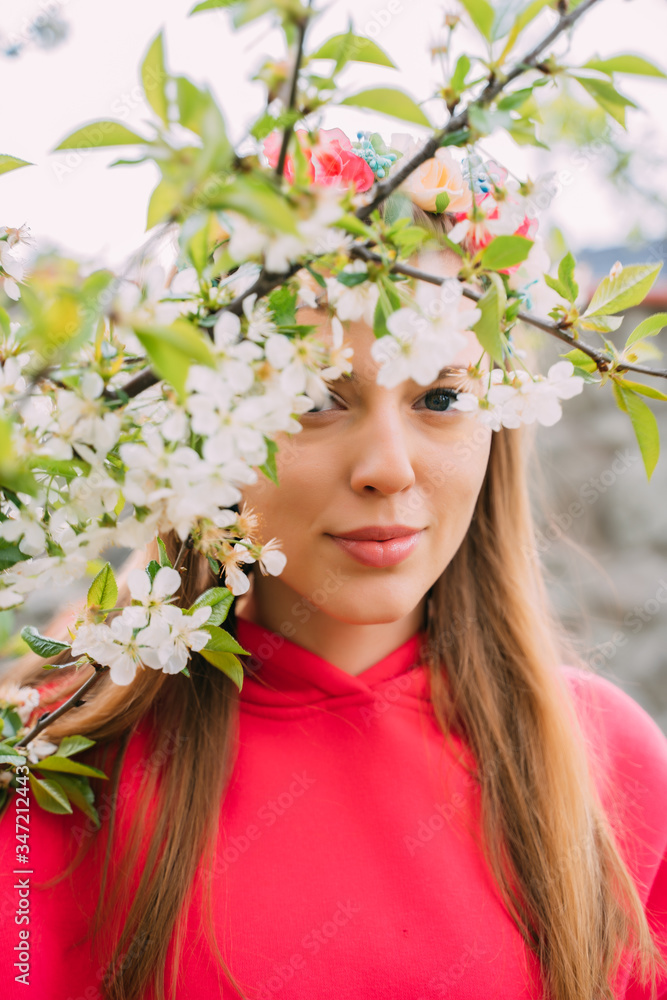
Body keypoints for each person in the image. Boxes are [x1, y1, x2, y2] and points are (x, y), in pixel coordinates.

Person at [1, 214, 667, 1000]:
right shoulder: (52, 770)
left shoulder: (608, 765)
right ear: (208, 439)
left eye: (443, 396)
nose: (386, 467)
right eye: (315, 399)